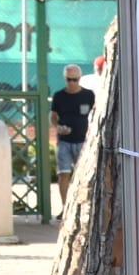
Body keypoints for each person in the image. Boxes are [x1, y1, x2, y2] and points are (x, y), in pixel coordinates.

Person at [50, 64, 93, 210]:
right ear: (65, 79)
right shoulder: (59, 96)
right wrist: (58, 127)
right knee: (63, 174)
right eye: (69, 80)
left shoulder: (89, 95)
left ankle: (84, 207)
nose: (72, 83)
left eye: (75, 79)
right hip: (64, 141)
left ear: (79, 79)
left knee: (84, 176)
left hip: (84, 141)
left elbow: (97, 115)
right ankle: (65, 207)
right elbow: (53, 116)